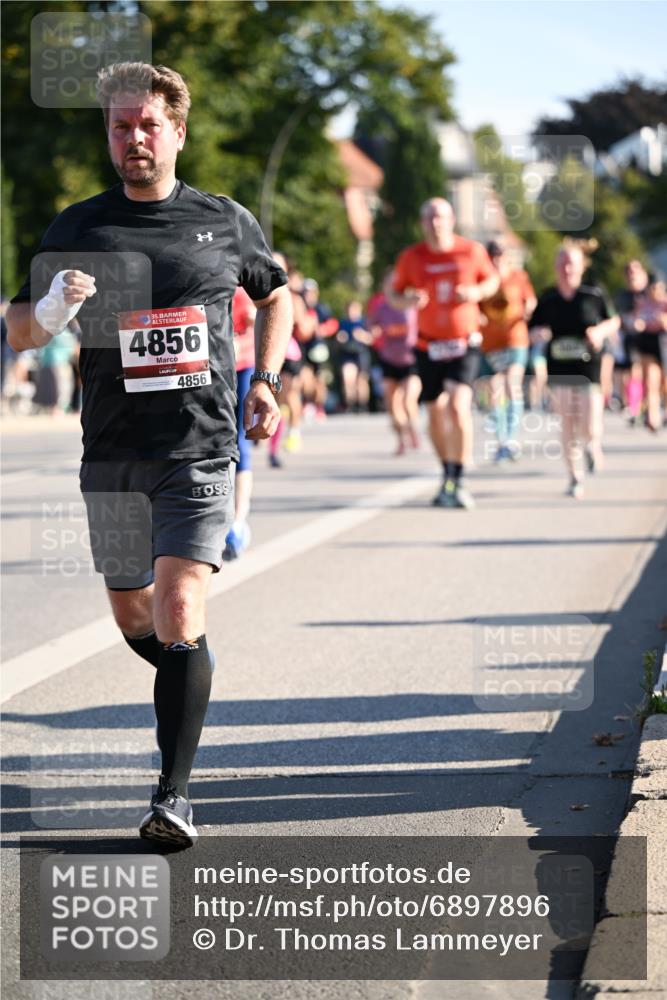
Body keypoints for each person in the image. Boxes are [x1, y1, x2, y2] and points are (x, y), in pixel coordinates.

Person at [7, 62, 292, 846]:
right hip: (111, 453)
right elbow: (19, 329)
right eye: (119, 126)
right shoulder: (79, 226)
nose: (133, 138)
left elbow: (276, 293)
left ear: (178, 132)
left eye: (147, 125)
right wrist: (55, 305)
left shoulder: (223, 219)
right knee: (136, 613)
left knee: (176, 607)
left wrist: (264, 379)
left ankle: (173, 796)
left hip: (198, 447)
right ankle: (187, 670)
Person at [389, 198, 499, 508]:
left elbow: (492, 280)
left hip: (464, 341)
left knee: (457, 405)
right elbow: (392, 294)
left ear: (451, 220)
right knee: (435, 413)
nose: (436, 222)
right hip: (427, 344)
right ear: (423, 223)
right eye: (429, 217)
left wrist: (476, 293)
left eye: (441, 216)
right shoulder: (412, 257)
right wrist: (407, 301)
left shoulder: (471, 251)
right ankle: (448, 471)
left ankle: (460, 477)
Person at [529, 239, 619, 499]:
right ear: (556, 266)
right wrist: (539, 333)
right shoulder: (547, 298)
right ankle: (574, 476)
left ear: (581, 266)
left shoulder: (593, 294)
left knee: (589, 423)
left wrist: (599, 331)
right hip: (559, 366)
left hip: (588, 365)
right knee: (567, 421)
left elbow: (613, 320)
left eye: (572, 263)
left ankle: (592, 444)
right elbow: (532, 328)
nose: (567, 268)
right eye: (563, 262)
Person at [478, 241, 536, 461]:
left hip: (515, 338)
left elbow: (530, 300)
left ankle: (512, 438)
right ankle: (502, 440)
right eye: (492, 254)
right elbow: (476, 306)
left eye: (500, 254)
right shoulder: (483, 279)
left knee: (512, 383)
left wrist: (529, 309)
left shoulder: (518, 276)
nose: (496, 258)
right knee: (494, 389)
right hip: (490, 341)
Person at [367, 271, 421, 454]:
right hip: (389, 358)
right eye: (389, 284)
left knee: (407, 400)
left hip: (411, 358)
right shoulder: (381, 307)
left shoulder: (413, 303)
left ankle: (412, 427)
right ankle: (401, 439)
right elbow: (372, 325)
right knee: (392, 405)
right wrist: (373, 332)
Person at [224, 286, 257, 559]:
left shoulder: (239, 285)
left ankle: (237, 523)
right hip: (207, 368)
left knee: (240, 442)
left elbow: (257, 312)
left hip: (242, 364)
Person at [614, 260, 648, 424]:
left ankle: (647, 406)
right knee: (633, 372)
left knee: (650, 375)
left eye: (635, 271)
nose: (632, 275)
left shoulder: (649, 292)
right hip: (630, 337)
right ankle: (634, 406)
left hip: (651, 338)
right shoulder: (623, 295)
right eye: (629, 271)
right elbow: (618, 316)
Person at [632, 273, 667, 431]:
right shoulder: (642, 303)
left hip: (664, 342)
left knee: (664, 383)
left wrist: (663, 321)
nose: (654, 291)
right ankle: (652, 416)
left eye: (657, 288)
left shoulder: (665, 303)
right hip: (648, 342)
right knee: (651, 381)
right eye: (651, 288)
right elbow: (636, 319)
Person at [336, 301, 374, 412]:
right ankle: (350, 404)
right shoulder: (343, 323)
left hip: (361, 353)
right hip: (347, 354)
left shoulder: (364, 322)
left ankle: (362, 405)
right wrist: (340, 339)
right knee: (348, 378)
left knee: (362, 381)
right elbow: (338, 339)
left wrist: (362, 336)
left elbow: (371, 339)